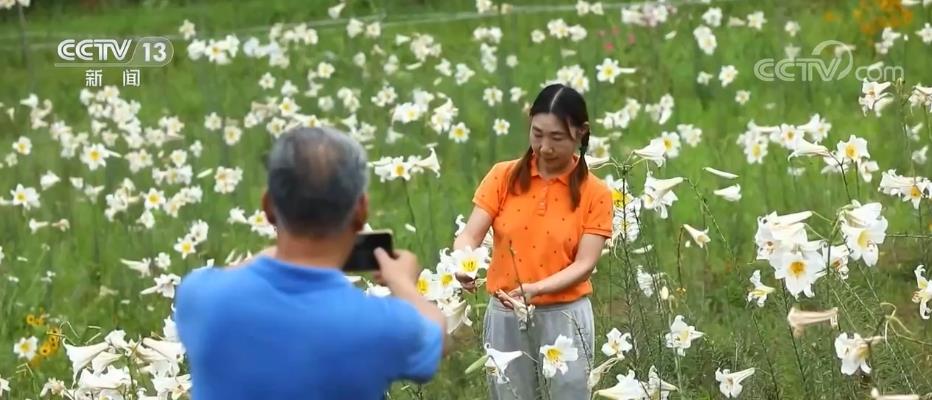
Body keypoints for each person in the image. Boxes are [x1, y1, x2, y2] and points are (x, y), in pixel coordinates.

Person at [174, 126, 446, 400]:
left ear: (268, 207)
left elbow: (231, 277)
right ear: (361, 210)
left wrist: (277, 255)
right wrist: (402, 282)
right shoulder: (379, 325)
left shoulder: (200, 296)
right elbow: (435, 333)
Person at [454, 83, 613, 399]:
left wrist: (537, 288)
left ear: (581, 133)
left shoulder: (596, 193)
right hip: (505, 312)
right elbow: (471, 234)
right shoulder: (503, 176)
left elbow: (585, 264)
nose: (544, 147)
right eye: (537, 134)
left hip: (564, 315)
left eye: (557, 138)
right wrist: (462, 264)